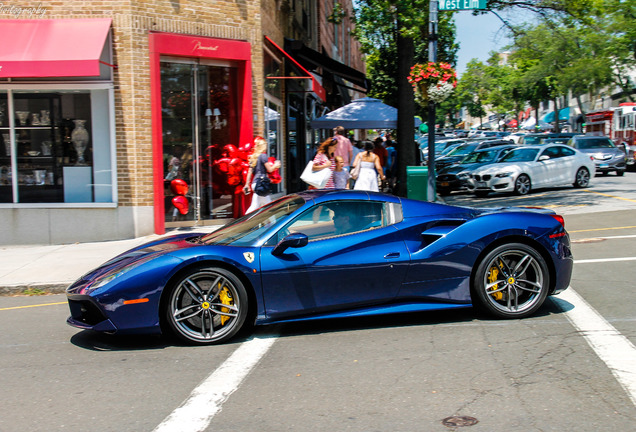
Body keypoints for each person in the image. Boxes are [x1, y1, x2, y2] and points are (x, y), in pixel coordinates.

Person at [243, 137, 281, 213]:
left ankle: (247, 221)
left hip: (255, 184)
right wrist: (276, 165)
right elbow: (269, 169)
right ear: (263, 146)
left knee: (255, 205)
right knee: (268, 207)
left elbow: (250, 172)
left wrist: (247, 185)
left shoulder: (253, 157)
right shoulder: (263, 156)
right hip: (262, 184)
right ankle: (246, 221)